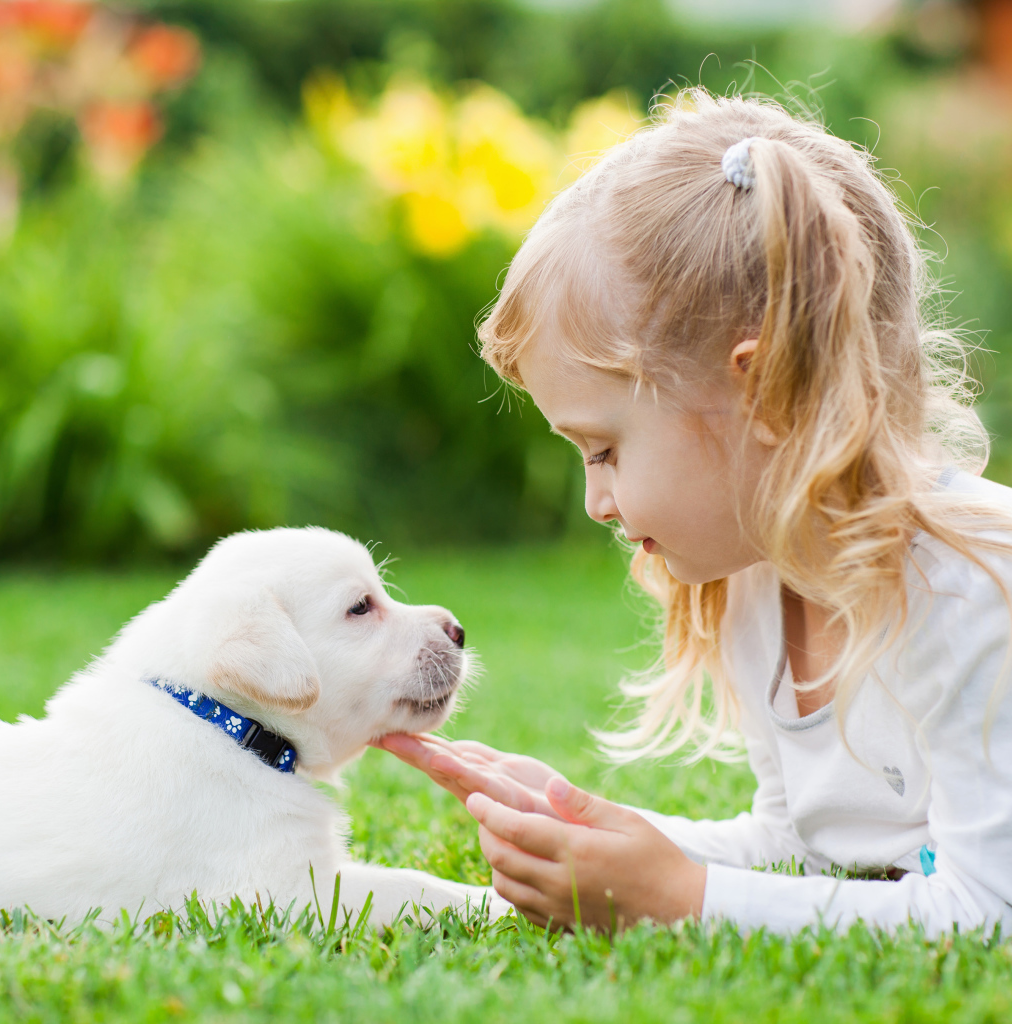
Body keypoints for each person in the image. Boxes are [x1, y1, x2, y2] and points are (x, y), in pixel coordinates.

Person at [376, 89, 1012, 937]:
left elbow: (987, 911)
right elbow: (800, 849)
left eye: (603, 450)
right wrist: (586, 829)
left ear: (761, 394)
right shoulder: (761, 584)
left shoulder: (971, 596)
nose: (597, 501)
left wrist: (681, 901)